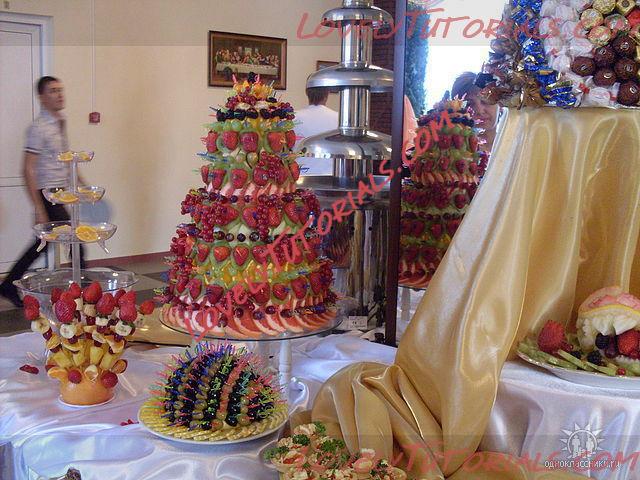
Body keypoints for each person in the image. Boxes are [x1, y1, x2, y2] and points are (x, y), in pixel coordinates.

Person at [0, 76, 85, 307]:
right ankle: (84, 291)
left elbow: (64, 160)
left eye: (60, 89)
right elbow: (27, 168)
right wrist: (39, 207)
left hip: (59, 193)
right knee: (74, 242)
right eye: (53, 91)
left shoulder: (60, 122)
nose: (59, 94)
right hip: (48, 193)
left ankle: (8, 284)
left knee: (47, 243)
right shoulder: (38, 128)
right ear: (41, 97)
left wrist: (81, 183)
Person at [450, 71, 502, 153]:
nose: (480, 111)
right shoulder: (449, 152)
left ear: (500, 104)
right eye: (469, 104)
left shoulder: (517, 145)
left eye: (486, 100)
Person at [294, 87, 339, 175]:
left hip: (301, 175)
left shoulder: (293, 118)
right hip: (331, 176)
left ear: (307, 92)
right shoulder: (339, 118)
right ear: (327, 93)